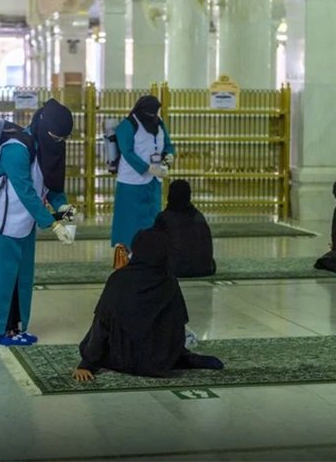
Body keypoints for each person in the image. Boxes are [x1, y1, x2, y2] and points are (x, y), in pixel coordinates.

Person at [0, 99, 76, 347]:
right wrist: (54, 225)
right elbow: (26, 192)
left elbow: (51, 184)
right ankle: (3, 332)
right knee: (0, 281)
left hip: (23, 224)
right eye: (56, 137)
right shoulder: (16, 149)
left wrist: (63, 207)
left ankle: (15, 327)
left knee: (20, 280)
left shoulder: (45, 147)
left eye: (64, 139)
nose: (59, 142)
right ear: (43, 127)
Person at [72, 228, 223, 382]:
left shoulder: (119, 279)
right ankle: (183, 358)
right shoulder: (169, 281)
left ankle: (180, 358)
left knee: (99, 334)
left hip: (125, 359)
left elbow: (102, 324)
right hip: (162, 360)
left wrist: (87, 363)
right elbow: (178, 324)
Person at [110, 96, 176, 248]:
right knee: (130, 220)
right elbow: (127, 152)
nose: (152, 115)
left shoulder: (159, 123)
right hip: (131, 182)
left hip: (154, 181)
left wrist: (169, 154)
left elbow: (168, 144)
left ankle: (150, 248)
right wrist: (147, 168)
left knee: (152, 217)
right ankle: (128, 250)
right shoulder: (127, 125)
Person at [153, 179, 216, 278]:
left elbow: (154, 245)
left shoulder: (164, 218)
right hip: (204, 268)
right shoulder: (198, 216)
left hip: (175, 268)